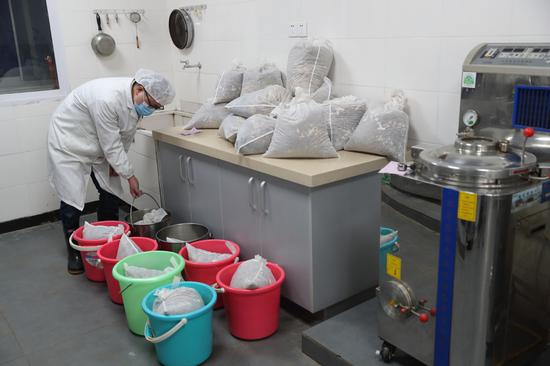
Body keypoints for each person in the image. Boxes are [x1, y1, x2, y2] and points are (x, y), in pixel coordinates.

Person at [47, 69, 175, 274]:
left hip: (98, 141)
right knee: (72, 199)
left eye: (156, 107)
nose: (151, 109)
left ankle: (106, 242)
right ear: (140, 89)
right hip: (70, 141)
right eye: (151, 105)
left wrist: (119, 168)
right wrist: (130, 175)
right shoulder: (107, 99)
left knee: (111, 192)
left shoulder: (134, 101)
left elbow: (124, 136)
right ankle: (74, 252)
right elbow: (112, 145)